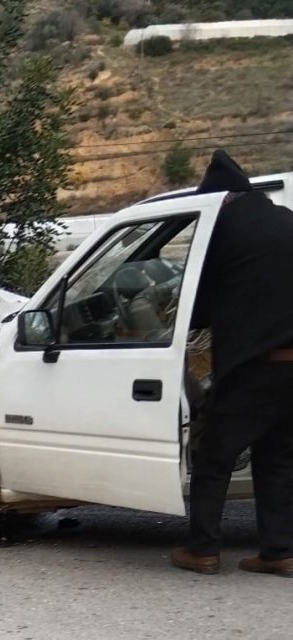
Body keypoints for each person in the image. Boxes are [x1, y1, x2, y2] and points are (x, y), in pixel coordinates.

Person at [170, 150, 293, 577]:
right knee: (277, 458)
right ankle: (278, 552)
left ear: (219, 200)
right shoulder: (287, 220)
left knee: (213, 454)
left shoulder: (222, 232)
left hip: (252, 366)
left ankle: (202, 549)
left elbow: (198, 308)